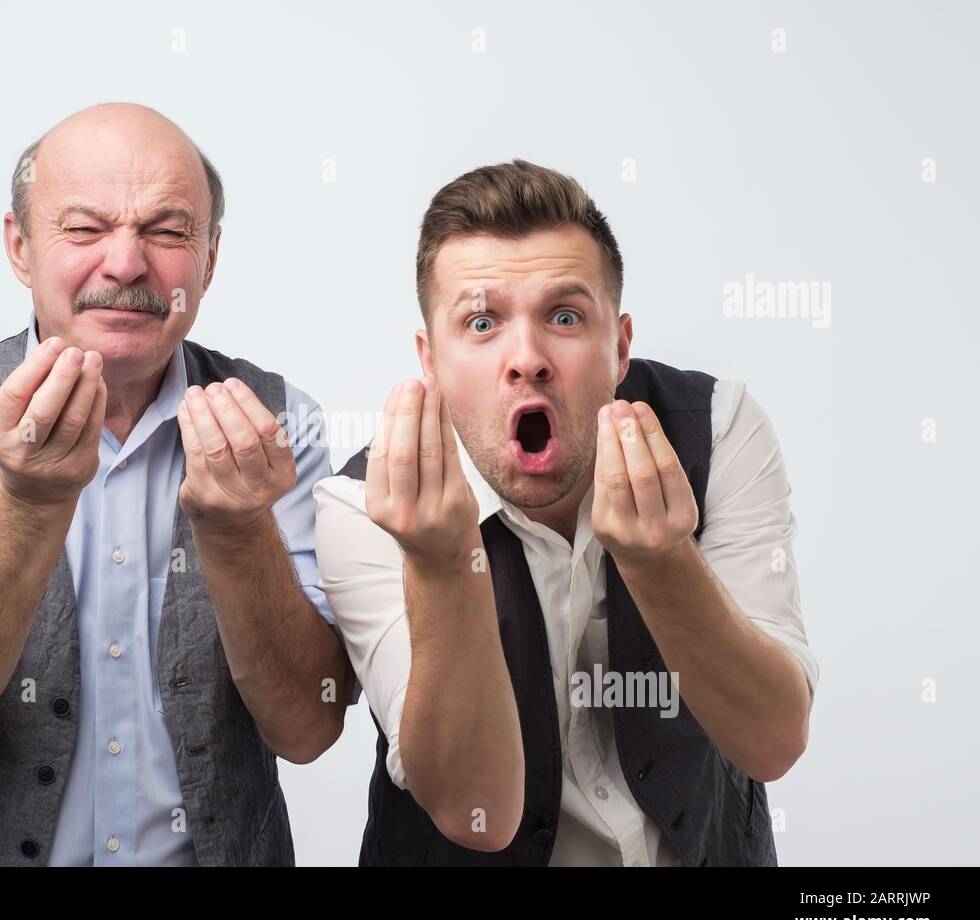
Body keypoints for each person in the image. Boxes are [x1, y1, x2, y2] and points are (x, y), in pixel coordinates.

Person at [0, 103, 353, 866]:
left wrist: (240, 532)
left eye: (167, 230)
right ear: (20, 247)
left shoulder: (283, 425)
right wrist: (25, 503)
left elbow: (308, 729)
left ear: (210, 259)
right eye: (84, 229)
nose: (124, 264)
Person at [314, 159, 818, 865]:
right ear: (429, 361)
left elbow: (772, 740)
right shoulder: (364, 507)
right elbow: (474, 814)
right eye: (482, 322)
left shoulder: (719, 430)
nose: (528, 359)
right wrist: (440, 564)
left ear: (619, 345)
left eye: (564, 316)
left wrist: (661, 560)